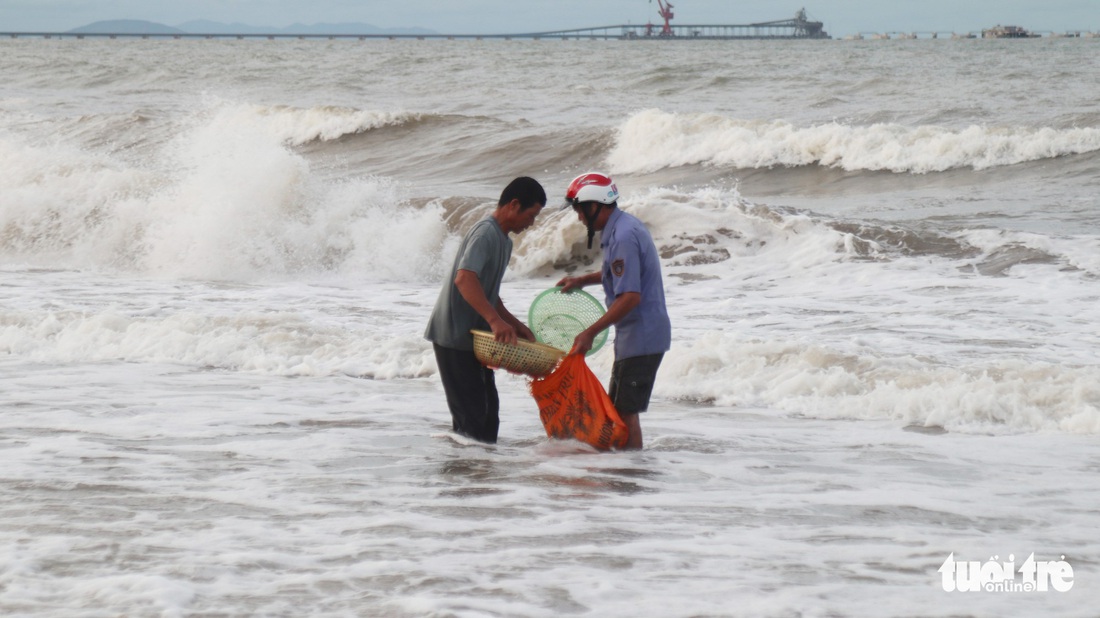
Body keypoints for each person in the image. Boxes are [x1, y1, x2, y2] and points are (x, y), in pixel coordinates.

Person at [425, 176, 546, 444]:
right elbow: (464, 279)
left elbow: (490, 294)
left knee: (488, 419)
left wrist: (515, 324)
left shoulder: (504, 241)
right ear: (514, 205)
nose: (532, 223)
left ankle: (478, 479)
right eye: (531, 214)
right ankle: (463, 481)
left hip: (476, 340)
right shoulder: (485, 233)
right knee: (472, 422)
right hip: (453, 337)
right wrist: (494, 321)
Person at [556, 172, 671, 450]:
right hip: (636, 335)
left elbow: (630, 296)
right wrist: (582, 280)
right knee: (621, 410)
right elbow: (618, 275)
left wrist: (590, 332)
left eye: (579, 209)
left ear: (595, 205)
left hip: (641, 337)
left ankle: (631, 475)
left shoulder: (623, 236)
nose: (579, 217)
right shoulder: (621, 228)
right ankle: (628, 472)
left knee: (625, 413)